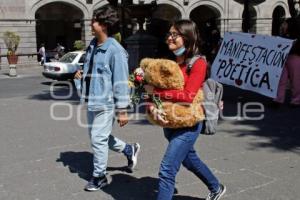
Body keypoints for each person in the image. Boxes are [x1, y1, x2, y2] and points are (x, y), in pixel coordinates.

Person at [144, 19, 226, 200]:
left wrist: (157, 91)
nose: (170, 38)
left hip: (189, 124)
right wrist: (152, 108)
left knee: (167, 169)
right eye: (169, 34)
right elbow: (149, 95)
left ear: (187, 37)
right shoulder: (170, 64)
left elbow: (189, 96)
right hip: (169, 122)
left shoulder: (198, 63)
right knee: (190, 160)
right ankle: (216, 187)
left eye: (175, 34)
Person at [74, 5, 140, 191]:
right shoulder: (93, 46)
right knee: (99, 137)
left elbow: (120, 81)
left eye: (94, 20)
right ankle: (129, 149)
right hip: (92, 100)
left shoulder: (115, 50)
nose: (91, 23)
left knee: (98, 139)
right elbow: (92, 73)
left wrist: (122, 110)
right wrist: (80, 79)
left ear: (104, 25)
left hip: (107, 103)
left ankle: (99, 176)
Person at [273, 18, 300, 107]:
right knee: (281, 79)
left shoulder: (297, 36)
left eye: (285, 24)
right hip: (283, 58)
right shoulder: (283, 34)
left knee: (295, 80)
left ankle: (296, 100)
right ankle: (278, 99)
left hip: (294, 57)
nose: (283, 25)